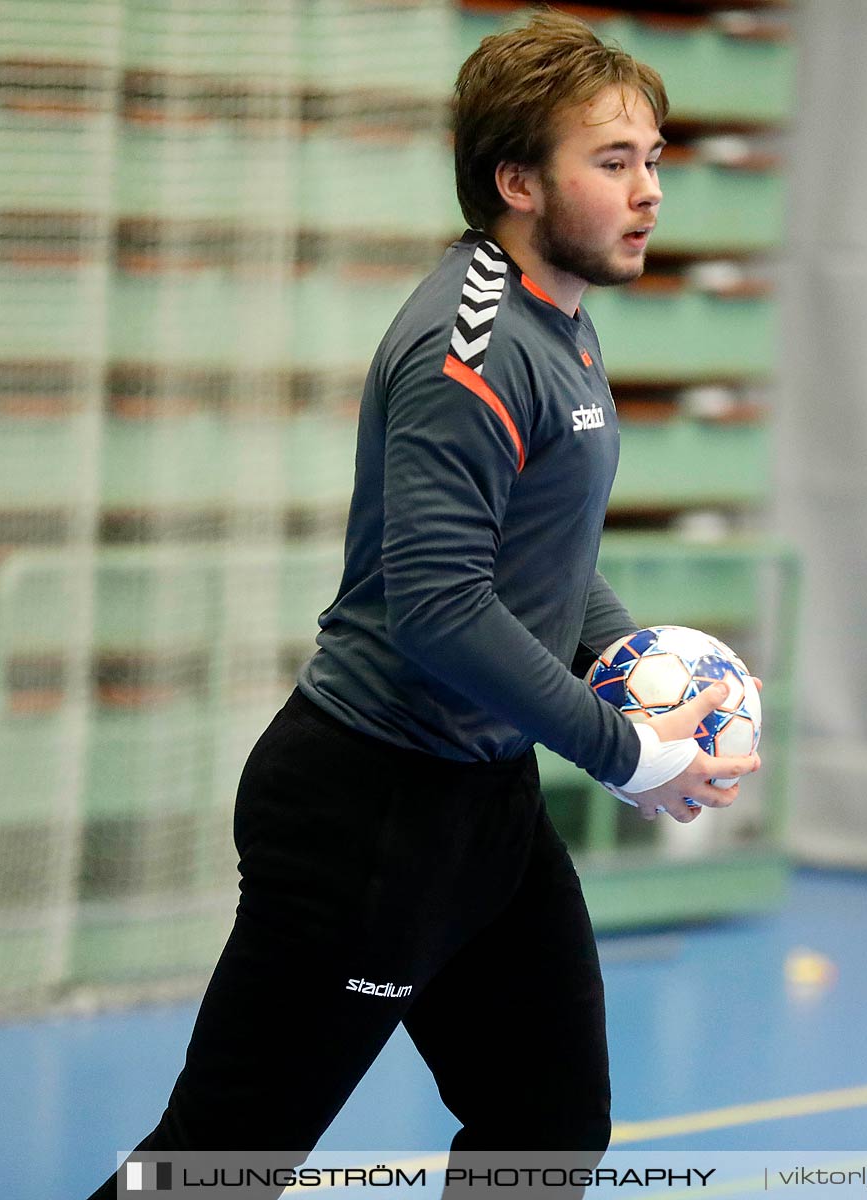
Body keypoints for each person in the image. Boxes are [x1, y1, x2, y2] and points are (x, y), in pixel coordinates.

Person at [87, 9, 759, 1198]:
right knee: (215, 1166)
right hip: (369, 814)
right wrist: (623, 751)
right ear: (516, 180)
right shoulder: (475, 348)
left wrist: (627, 651)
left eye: (653, 159)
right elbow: (439, 609)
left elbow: (533, 556)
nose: (649, 190)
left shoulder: (563, 314)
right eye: (613, 163)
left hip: (482, 804)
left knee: (543, 1127)